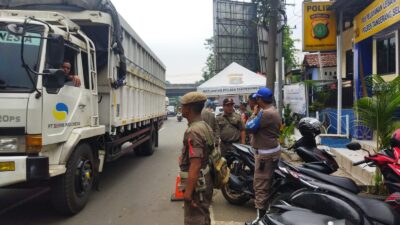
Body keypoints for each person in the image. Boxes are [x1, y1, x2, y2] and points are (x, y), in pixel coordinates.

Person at [245, 88, 282, 225]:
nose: (255, 101)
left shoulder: (265, 113)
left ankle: (260, 219)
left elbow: (248, 127)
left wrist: (254, 114)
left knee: (260, 186)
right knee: (267, 183)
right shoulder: (274, 110)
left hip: (265, 157)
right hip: (272, 152)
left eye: (257, 99)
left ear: (260, 99)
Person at [179, 92, 214, 225]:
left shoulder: (193, 131)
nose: (180, 109)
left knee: (195, 219)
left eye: (182, 106)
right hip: (206, 179)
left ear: (188, 108)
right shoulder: (204, 126)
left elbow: (195, 164)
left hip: (198, 184)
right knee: (204, 215)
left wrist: (188, 193)